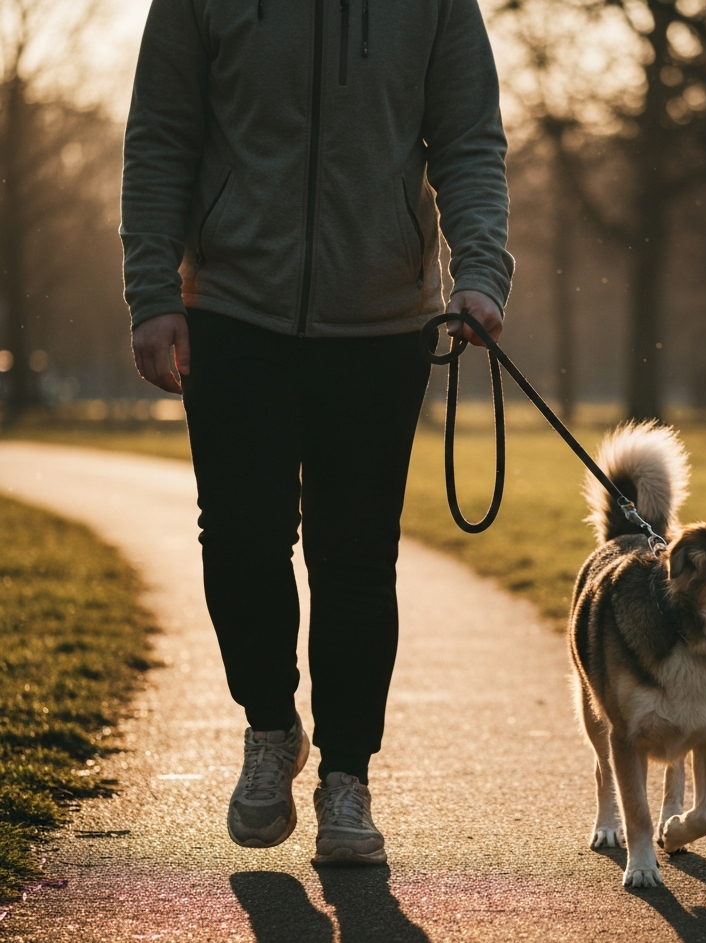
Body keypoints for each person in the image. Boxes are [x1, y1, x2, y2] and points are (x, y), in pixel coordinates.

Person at [121, 0, 513, 866]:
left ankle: (348, 780)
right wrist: (152, 294)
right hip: (229, 307)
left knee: (357, 553)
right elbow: (160, 138)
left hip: (380, 323)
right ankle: (270, 728)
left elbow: (467, 140)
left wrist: (481, 273)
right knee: (241, 537)